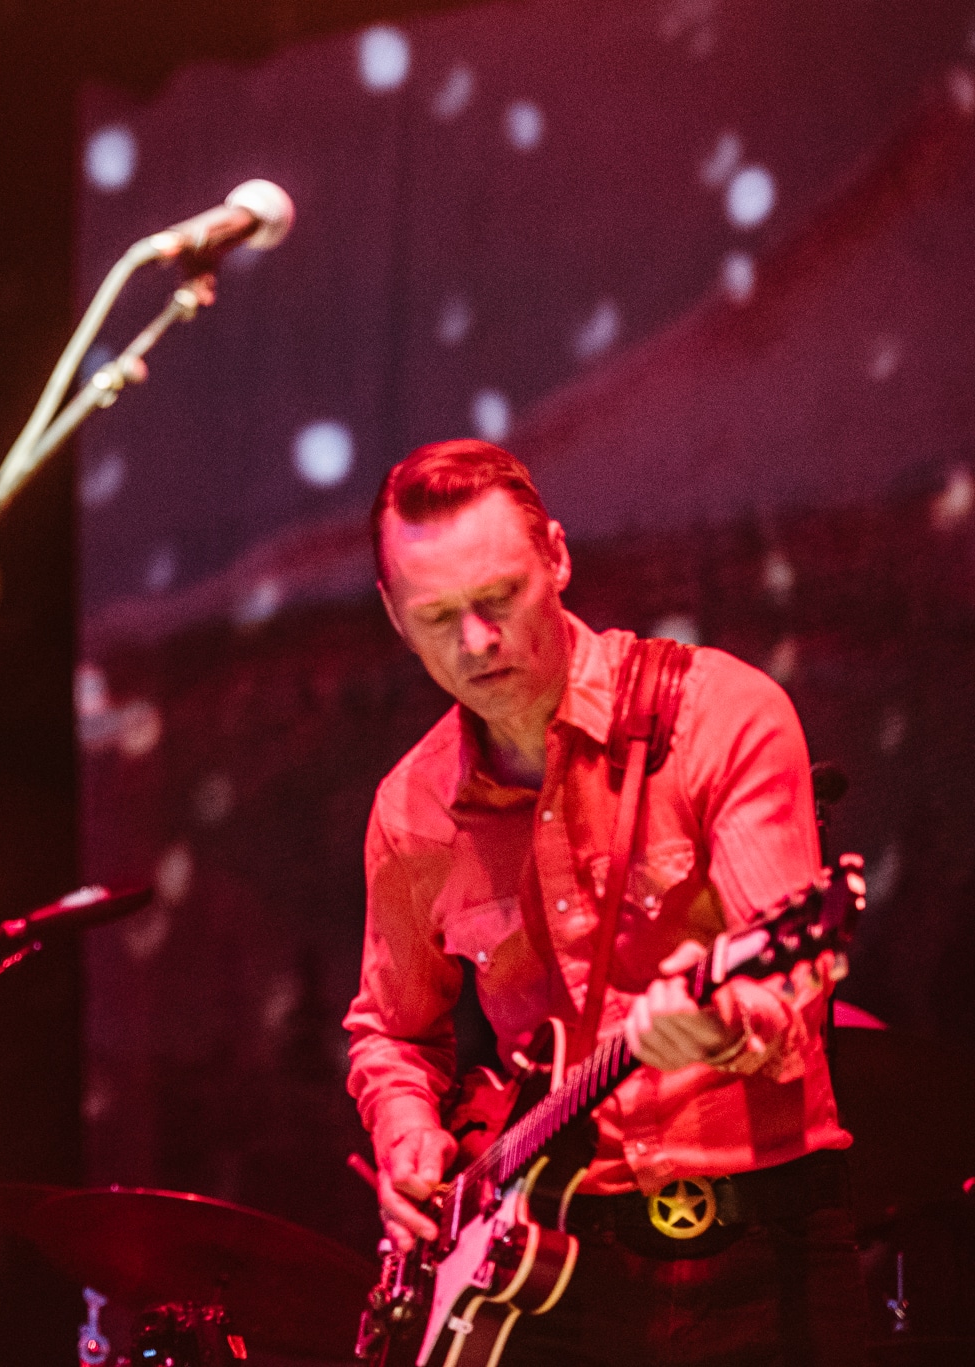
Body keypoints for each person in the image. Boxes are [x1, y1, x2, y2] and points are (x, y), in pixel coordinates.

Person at [343, 441, 868, 1364]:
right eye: (437, 616)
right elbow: (391, 1031)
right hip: (541, 1276)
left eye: (499, 597)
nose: (476, 641)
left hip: (759, 1246)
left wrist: (723, 1024)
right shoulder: (410, 808)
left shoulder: (721, 716)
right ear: (393, 614)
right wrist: (410, 1136)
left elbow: (793, 988)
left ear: (556, 555)